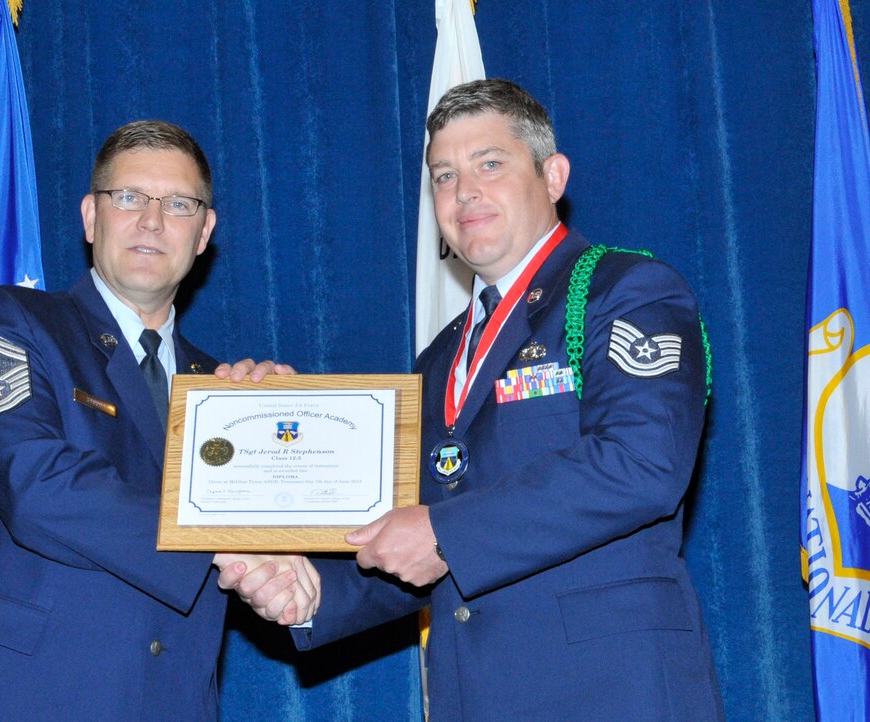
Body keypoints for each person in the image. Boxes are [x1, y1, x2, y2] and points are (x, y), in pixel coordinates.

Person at [224, 79, 724, 720]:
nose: (464, 192)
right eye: (444, 176)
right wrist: (313, 594)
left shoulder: (623, 289)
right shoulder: (439, 360)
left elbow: (642, 464)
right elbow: (415, 543)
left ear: (553, 176)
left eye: (489, 164)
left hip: (612, 690)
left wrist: (442, 533)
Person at [0, 120, 318, 722]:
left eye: (178, 204)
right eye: (129, 197)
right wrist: (218, 536)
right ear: (91, 217)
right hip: (13, 696)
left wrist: (281, 430)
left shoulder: (225, 392)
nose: (152, 221)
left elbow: (286, 533)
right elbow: (34, 482)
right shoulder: (9, 321)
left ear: (204, 233)